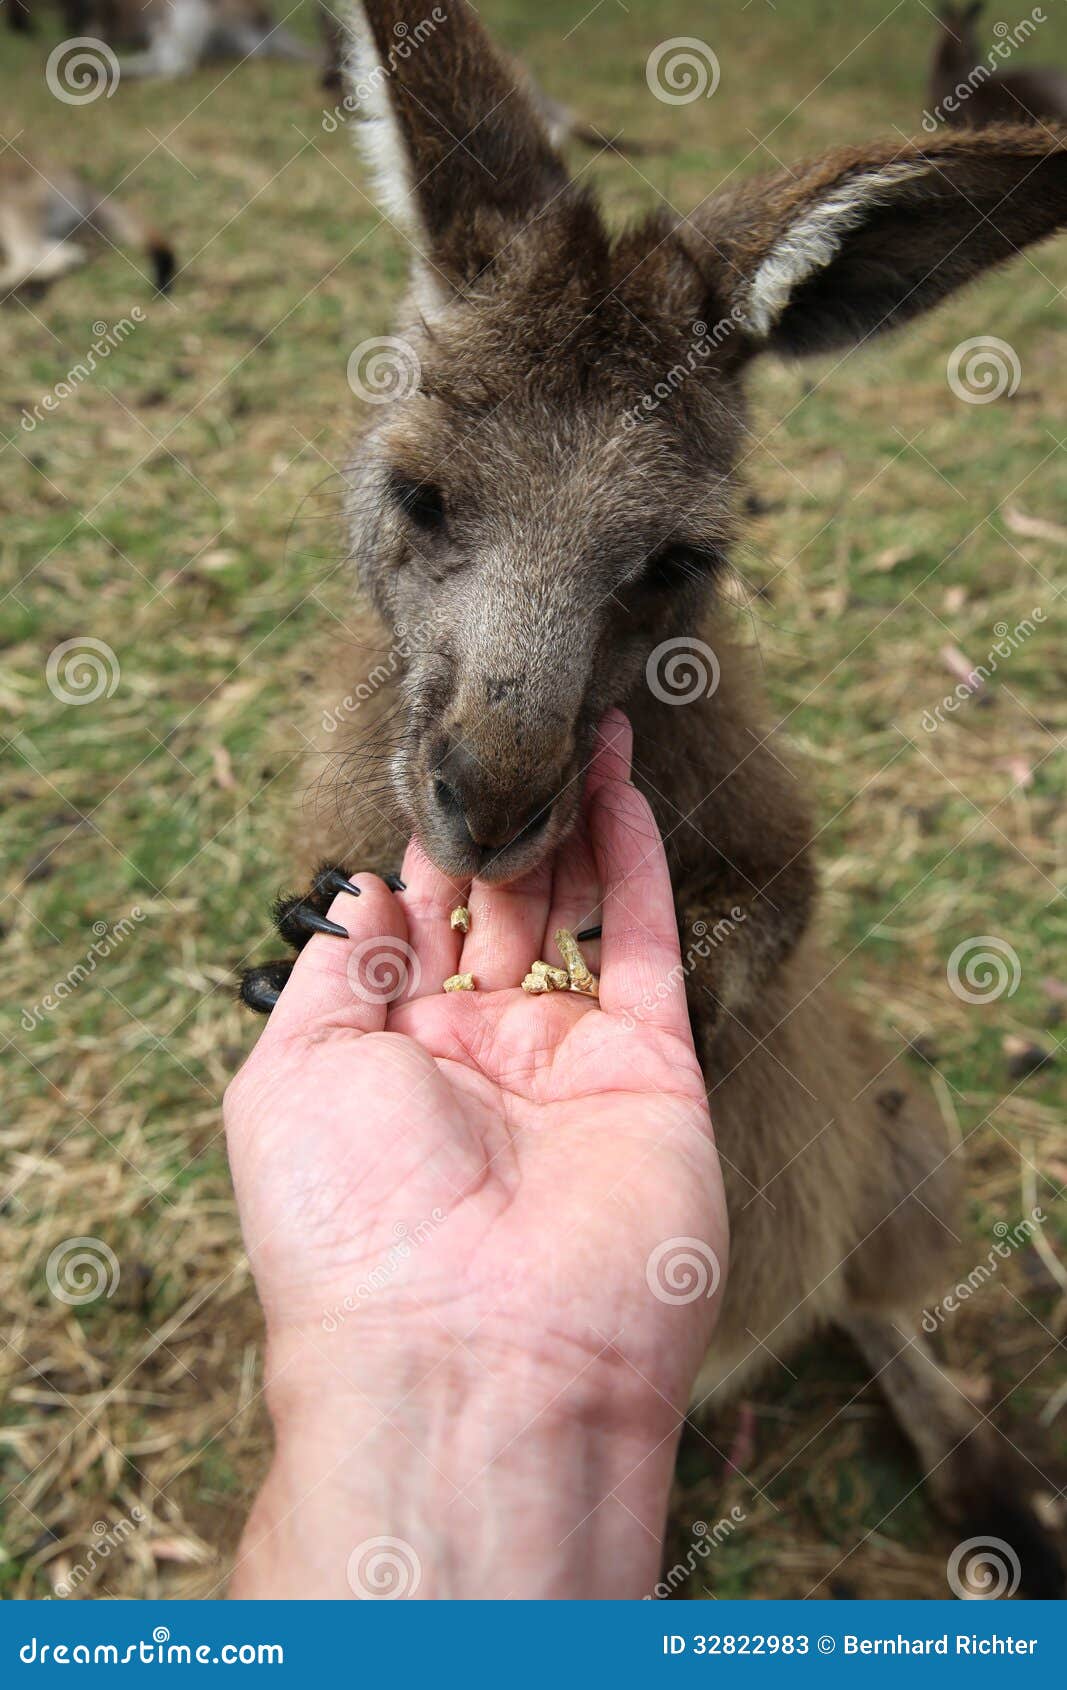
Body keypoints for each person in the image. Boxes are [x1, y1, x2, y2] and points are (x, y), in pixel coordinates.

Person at [223, 712, 728, 1599]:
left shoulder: (694, 703)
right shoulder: (378, 719)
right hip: (636, 1201)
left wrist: (705, 972)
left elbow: (771, 880)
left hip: (708, 1173)